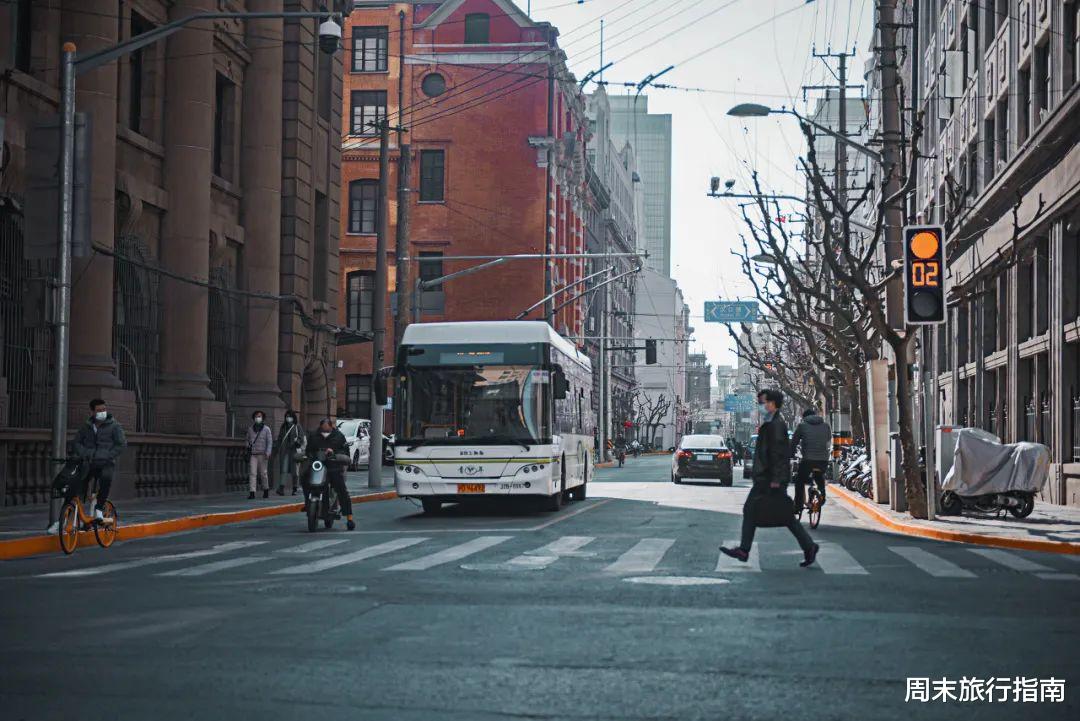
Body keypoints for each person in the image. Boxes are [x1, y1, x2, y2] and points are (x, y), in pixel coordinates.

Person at [720, 389, 818, 567]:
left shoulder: (776, 425)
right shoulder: (771, 422)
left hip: (769, 478)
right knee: (783, 516)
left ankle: (744, 549)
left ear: (772, 403)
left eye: (762, 402)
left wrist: (776, 478)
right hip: (767, 477)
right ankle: (808, 546)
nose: (760, 406)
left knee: (753, 511)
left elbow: (779, 453)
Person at [47, 398, 127, 533]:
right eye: (99, 410)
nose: (102, 412)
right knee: (74, 486)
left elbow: (121, 444)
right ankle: (63, 521)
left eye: (104, 409)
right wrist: (85, 453)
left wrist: (107, 455)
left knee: (106, 479)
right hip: (88, 463)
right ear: (92, 412)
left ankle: (99, 509)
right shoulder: (86, 426)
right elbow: (76, 442)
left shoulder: (114, 426)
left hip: (105, 463)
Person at [305, 418, 355, 531]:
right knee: (305, 479)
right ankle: (307, 503)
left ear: (331, 427)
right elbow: (308, 450)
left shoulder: (339, 436)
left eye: (327, 429)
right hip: (317, 466)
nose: (325, 431)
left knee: (341, 489)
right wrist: (309, 456)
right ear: (320, 427)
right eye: (323, 429)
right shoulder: (314, 436)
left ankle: (349, 518)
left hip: (334, 467)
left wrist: (334, 453)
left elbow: (345, 452)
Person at [790, 408, 832, 512]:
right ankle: (822, 494)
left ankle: (798, 506)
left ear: (804, 417)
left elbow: (794, 442)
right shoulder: (826, 426)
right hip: (823, 460)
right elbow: (828, 440)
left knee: (799, 481)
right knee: (818, 476)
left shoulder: (802, 426)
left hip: (808, 459)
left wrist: (790, 454)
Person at [274, 410, 306, 496]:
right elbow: (280, 438)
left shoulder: (297, 426)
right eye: (287, 416)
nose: (288, 418)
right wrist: (277, 448)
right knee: (283, 470)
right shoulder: (283, 426)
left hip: (294, 451)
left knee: (295, 471)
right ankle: (281, 488)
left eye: (290, 416)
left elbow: (301, 437)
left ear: (293, 417)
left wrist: (297, 442)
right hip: (285, 451)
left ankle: (295, 488)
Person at [246, 410, 274, 499]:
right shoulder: (250, 429)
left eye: (260, 416)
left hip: (263, 454)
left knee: (263, 474)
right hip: (253, 454)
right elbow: (247, 439)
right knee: (252, 473)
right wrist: (247, 445)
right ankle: (252, 492)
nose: (258, 418)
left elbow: (270, 442)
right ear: (254, 418)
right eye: (257, 416)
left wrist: (268, 452)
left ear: (262, 418)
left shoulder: (266, 429)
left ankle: (266, 490)